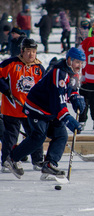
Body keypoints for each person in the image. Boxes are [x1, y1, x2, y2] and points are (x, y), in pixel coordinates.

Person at [3, 47, 86, 179]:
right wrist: (68, 119)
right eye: (77, 62)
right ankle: (12, 158)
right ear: (69, 60)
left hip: (51, 110)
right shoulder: (59, 73)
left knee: (61, 135)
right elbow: (58, 103)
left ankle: (50, 164)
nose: (80, 66)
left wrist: (75, 97)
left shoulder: (74, 74)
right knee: (39, 136)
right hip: (37, 107)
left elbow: (71, 91)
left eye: (82, 63)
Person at [0, 38, 45, 173]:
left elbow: (45, 87)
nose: (31, 54)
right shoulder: (11, 63)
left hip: (31, 109)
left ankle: (37, 160)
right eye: (28, 51)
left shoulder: (39, 68)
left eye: (34, 51)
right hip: (12, 108)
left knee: (35, 135)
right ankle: (7, 160)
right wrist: (5, 88)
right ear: (22, 51)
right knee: (11, 136)